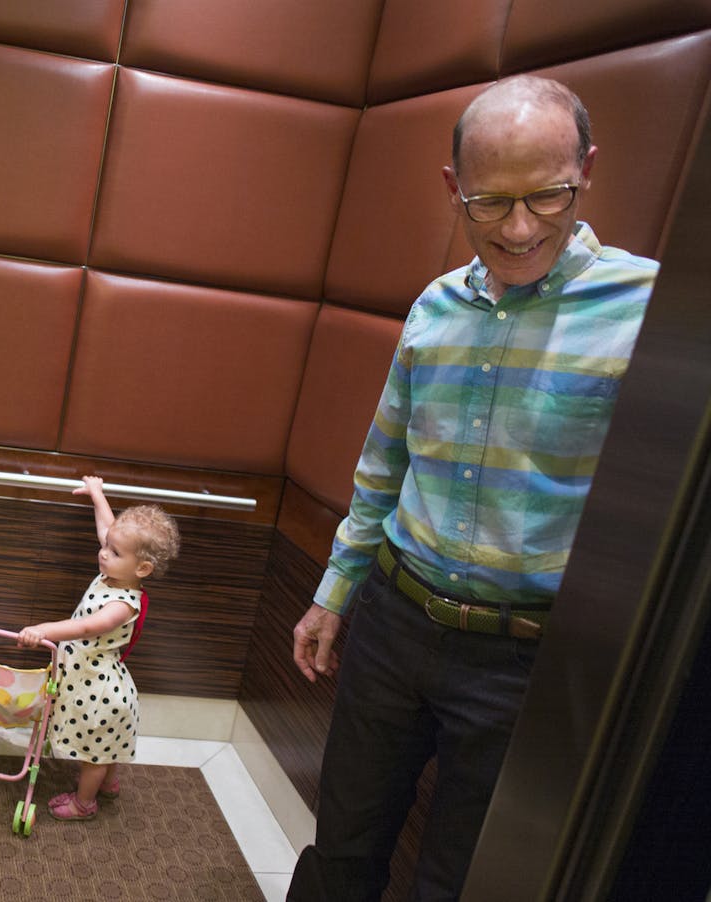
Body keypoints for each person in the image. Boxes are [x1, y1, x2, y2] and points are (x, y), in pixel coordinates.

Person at [287, 75, 659, 900]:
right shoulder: (434, 308)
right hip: (395, 621)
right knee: (339, 852)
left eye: (548, 197)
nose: (520, 228)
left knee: (462, 886)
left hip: (527, 659)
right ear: (454, 188)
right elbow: (385, 466)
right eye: (489, 203)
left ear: (586, 171)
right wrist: (334, 593)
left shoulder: (652, 315)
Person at [18, 476, 180, 820]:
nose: (103, 552)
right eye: (106, 546)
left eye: (114, 551)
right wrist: (97, 495)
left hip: (99, 690)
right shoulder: (114, 572)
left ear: (143, 569)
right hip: (90, 681)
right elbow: (107, 528)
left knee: (92, 752)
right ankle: (107, 783)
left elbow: (86, 627)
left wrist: (43, 629)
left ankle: (84, 802)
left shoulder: (124, 603)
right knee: (103, 747)